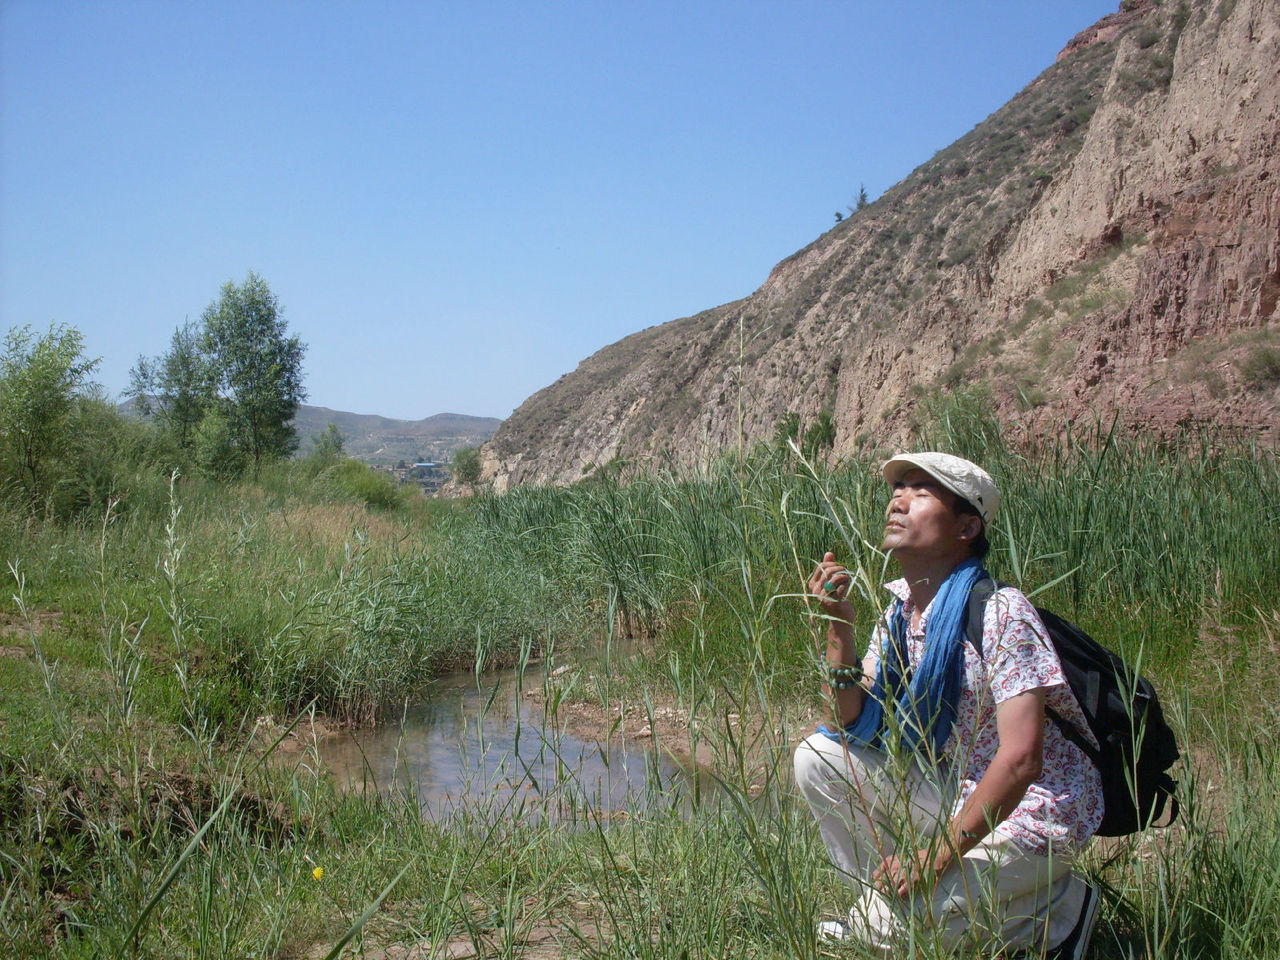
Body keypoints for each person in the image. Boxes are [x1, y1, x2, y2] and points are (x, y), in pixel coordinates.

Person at [793, 452, 1103, 958]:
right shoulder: (901, 614)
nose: (899, 498)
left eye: (921, 491)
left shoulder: (1002, 612)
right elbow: (846, 719)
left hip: (1033, 814)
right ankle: (886, 904)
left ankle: (1061, 912)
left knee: (889, 932)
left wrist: (936, 857)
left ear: (966, 526)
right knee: (816, 756)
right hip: (954, 786)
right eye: (898, 489)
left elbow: (1023, 759)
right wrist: (839, 625)